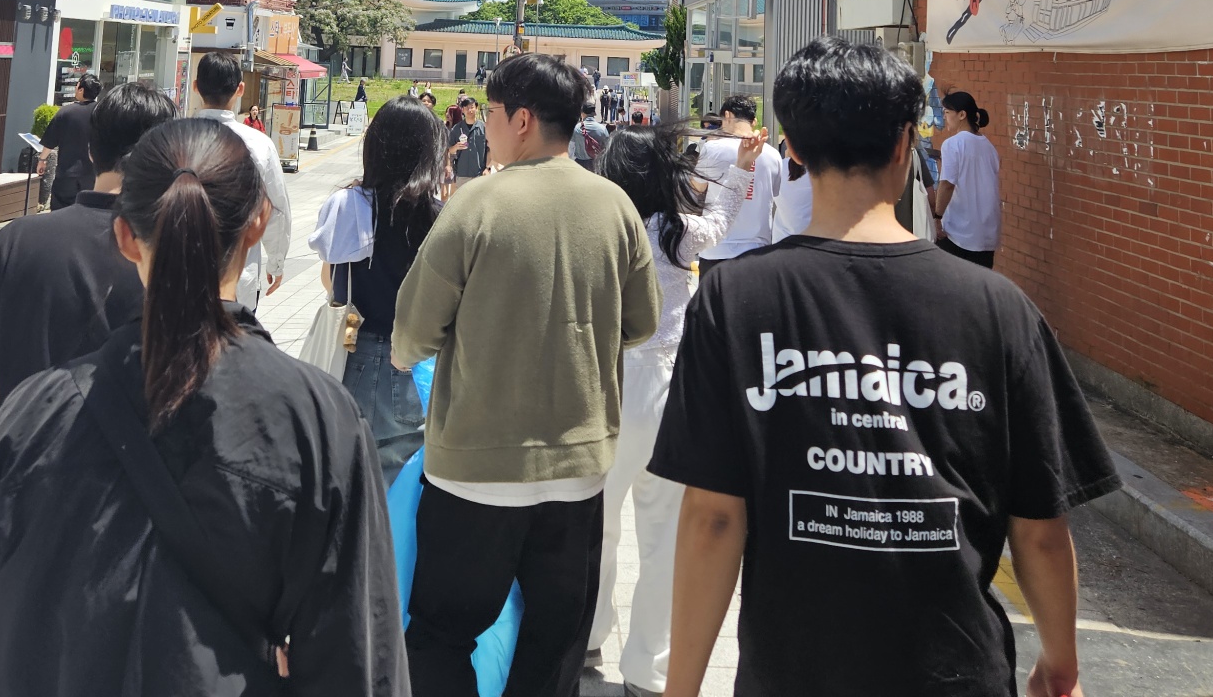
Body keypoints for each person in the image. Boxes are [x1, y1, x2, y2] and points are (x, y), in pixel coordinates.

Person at [650, 38, 1121, 697]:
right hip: (957, 671)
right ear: (905, 144)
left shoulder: (734, 299)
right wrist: (1062, 662)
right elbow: (1040, 528)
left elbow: (713, 517)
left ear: (795, 149)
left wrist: (681, 688)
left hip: (792, 672)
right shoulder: (999, 309)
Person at [0, 118, 408, 697]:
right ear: (257, 223)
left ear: (124, 236)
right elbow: (359, 661)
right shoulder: (318, 423)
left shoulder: (32, 417)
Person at [392, 53, 662, 697]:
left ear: (520, 120)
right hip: (578, 467)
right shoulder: (615, 205)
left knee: (440, 635)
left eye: (490, 111)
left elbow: (412, 334)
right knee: (555, 643)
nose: (486, 124)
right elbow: (642, 323)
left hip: (474, 467)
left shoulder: (477, 204)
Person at [0, 83, 177, 526]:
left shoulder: (18, 239)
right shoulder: (177, 249)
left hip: (19, 483)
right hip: (135, 498)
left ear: (92, 151)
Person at [587, 123, 759, 694]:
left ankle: (588, 637)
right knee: (663, 535)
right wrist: (741, 170)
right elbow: (723, 221)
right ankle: (648, 667)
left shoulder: (599, 226)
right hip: (666, 388)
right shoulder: (673, 231)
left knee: (598, 523)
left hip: (605, 385)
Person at [310, 98, 446, 485]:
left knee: (345, 477)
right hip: (411, 363)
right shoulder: (437, 216)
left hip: (350, 353)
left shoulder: (347, 205)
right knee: (399, 485)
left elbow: (329, 281)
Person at [194, 50, 291, 308]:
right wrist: (276, 262)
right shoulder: (259, 144)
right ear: (240, 89)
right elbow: (275, 209)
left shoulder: (171, 140)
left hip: (181, 278)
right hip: (239, 278)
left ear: (195, 87)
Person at [695, 94, 782, 272]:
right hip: (758, 251)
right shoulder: (773, 155)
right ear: (754, 121)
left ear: (727, 116)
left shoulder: (712, 149)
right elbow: (774, 196)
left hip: (716, 248)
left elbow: (696, 188)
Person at [932, 90, 1002, 266]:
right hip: (987, 234)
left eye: (947, 112)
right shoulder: (989, 147)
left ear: (962, 115)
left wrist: (937, 217)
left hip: (959, 233)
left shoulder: (952, 144)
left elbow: (947, 184)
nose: (945, 117)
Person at [37, 73, 100, 209]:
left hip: (67, 172)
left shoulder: (65, 112)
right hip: (93, 174)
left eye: (77, 85)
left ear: (81, 90)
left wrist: (42, 160)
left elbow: (50, 141)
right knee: (87, 210)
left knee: (60, 210)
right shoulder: (103, 113)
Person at [446, 97, 488, 192]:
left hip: (479, 173)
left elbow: (489, 150)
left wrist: (488, 168)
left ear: (476, 108)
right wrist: (456, 147)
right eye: (466, 108)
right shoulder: (457, 129)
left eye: (472, 107)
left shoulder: (484, 128)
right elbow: (449, 150)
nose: (469, 110)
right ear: (462, 110)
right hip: (462, 173)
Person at [569, 99, 609, 170]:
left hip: (580, 164)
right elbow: (607, 148)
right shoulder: (602, 129)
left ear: (583, 113)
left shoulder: (577, 128)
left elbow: (571, 148)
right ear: (594, 114)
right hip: (596, 164)